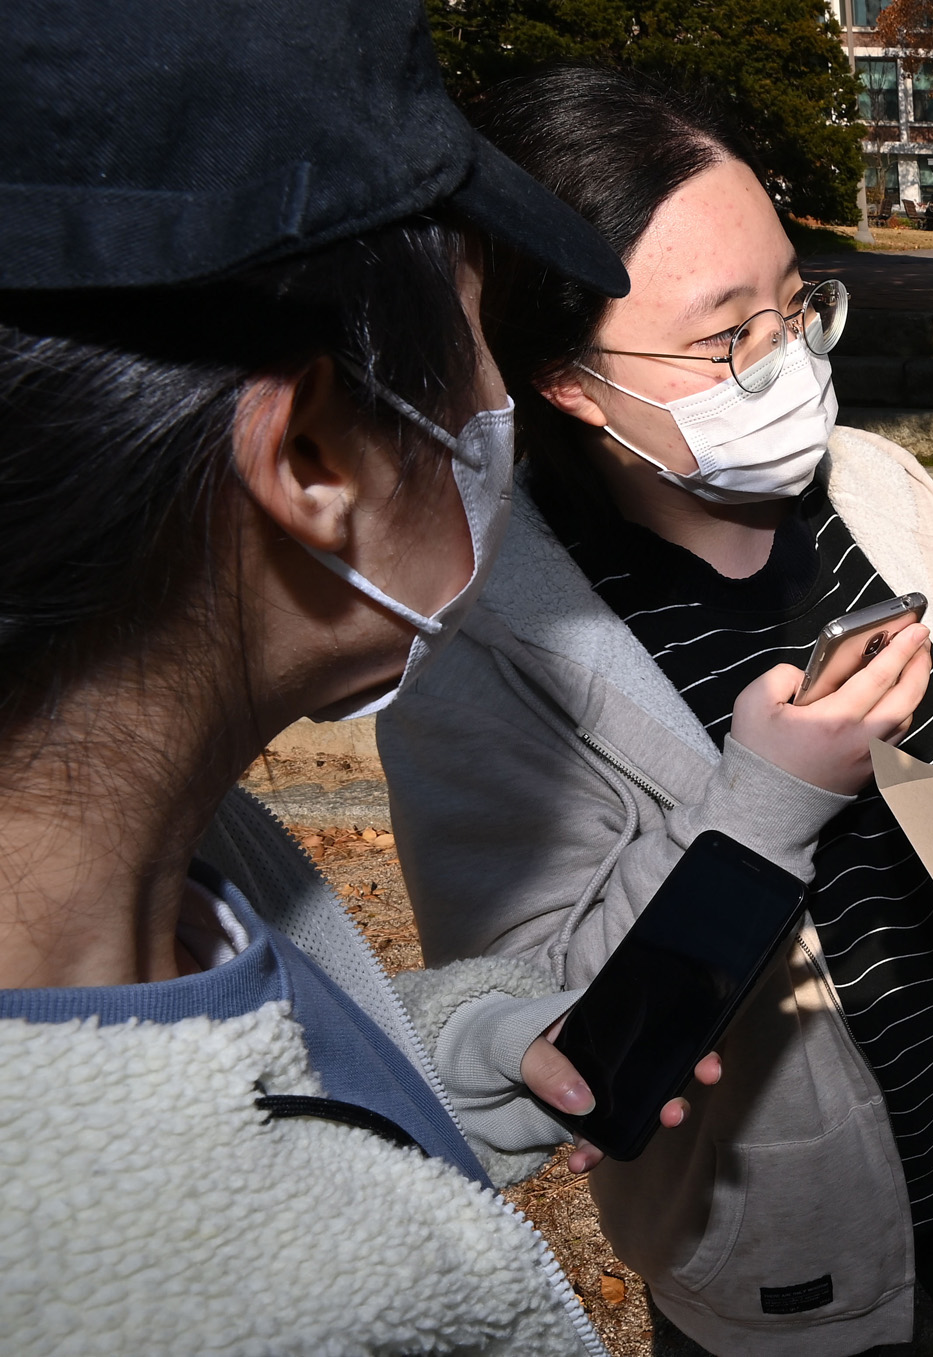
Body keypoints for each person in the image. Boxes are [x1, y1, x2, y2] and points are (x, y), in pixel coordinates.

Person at [375, 64, 933, 1357]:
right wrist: (765, 799)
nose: (786, 363)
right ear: (567, 380)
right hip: (802, 1293)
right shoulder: (484, 650)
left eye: (795, 305)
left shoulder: (877, 488)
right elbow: (566, 1041)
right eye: (728, 335)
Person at [0, 0, 674, 1350]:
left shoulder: (184, 844)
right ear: (313, 459)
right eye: (477, 326)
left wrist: (427, 1065)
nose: (501, 398)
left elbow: (250, 1040)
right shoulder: (249, 1311)